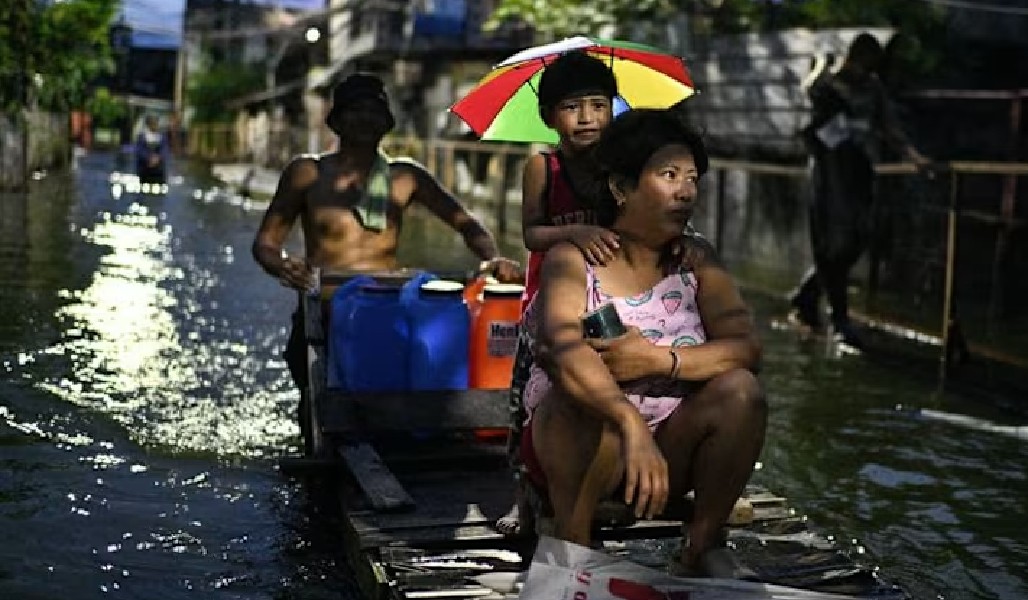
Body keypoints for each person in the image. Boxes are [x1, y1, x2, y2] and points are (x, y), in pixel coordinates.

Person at [522, 109, 766, 577]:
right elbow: (559, 348)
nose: (686, 192)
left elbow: (745, 348)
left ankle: (702, 545)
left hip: (669, 452)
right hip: (582, 449)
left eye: (692, 178)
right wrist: (628, 421)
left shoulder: (697, 260)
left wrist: (658, 360)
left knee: (741, 392)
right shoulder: (572, 258)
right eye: (669, 175)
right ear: (620, 188)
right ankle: (573, 546)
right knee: (576, 400)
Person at [251, 73, 520, 452]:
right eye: (355, 110)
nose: (365, 119)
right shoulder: (308, 172)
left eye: (374, 111)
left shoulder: (404, 177)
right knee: (314, 401)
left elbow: (466, 223)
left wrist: (493, 258)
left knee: (391, 405)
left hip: (381, 312)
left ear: (386, 121)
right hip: (324, 309)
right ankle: (316, 453)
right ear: (337, 120)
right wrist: (282, 265)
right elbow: (264, 243)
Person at [497, 49, 621, 536]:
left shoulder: (620, 168)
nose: (587, 117)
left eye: (598, 104)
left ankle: (599, 479)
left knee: (604, 383)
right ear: (550, 116)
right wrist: (575, 234)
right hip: (547, 300)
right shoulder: (542, 167)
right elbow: (531, 234)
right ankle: (523, 500)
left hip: (608, 296)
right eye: (573, 107)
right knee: (525, 397)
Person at [790, 33, 931, 348]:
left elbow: (888, 127)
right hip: (829, 173)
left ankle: (809, 293)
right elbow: (809, 111)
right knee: (830, 243)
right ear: (852, 57)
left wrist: (912, 155)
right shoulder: (825, 84)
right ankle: (838, 317)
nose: (866, 69)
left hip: (860, 171)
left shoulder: (873, 88)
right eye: (863, 61)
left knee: (859, 237)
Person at [134, 114, 169, 185]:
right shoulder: (142, 136)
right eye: (153, 123)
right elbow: (139, 151)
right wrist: (148, 158)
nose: (155, 125)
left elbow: (164, 150)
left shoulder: (162, 137)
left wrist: (158, 158)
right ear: (148, 124)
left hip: (158, 169)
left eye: (156, 123)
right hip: (145, 168)